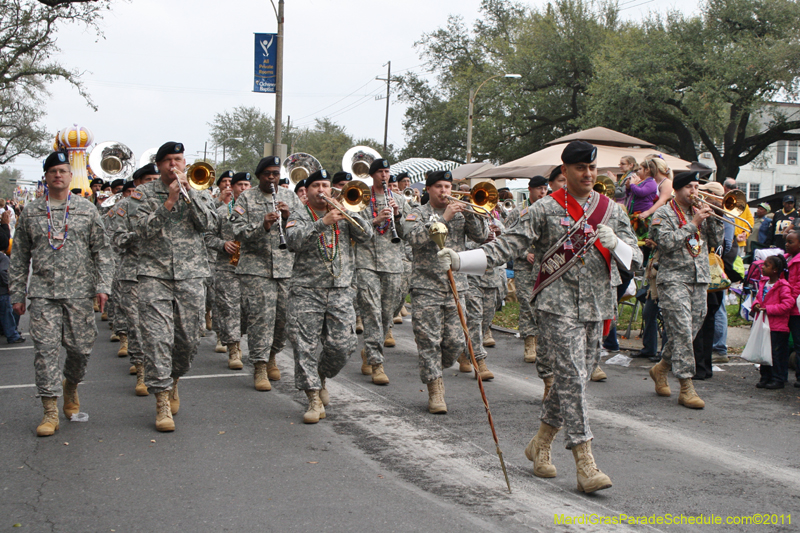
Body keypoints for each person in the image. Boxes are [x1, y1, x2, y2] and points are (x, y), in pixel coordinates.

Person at [437, 141, 641, 493]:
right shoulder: (544, 209)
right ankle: (584, 461)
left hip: (598, 306)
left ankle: (541, 443)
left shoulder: (611, 210)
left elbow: (635, 258)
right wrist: (460, 260)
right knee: (573, 378)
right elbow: (505, 247)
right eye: (581, 168)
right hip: (557, 307)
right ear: (565, 171)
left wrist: (617, 244)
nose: (588, 174)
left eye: (592, 168)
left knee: (573, 380)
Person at [10, 151, 114, 437]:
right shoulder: (31, 212)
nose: (58, 175)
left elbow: (102, 252)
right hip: (43, 294)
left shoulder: (86, 209)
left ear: (71, 176)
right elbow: (19, 257)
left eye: (63, 170)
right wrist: (17, 293)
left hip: (79, 294)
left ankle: (71, 385)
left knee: (81, 350)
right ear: (46, 177)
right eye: (52, 170)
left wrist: (103, 286)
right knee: (45, 353)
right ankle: (50, 411)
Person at [128, 142, 218, 432]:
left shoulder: (199, 190)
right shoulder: (142, 195)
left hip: (191, 275)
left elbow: (208, 225)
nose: (173, 165)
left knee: (189, 340)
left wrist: (191, 195)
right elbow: (140, 233)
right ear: (159, 165)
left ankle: (175, 378)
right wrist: (167, 203)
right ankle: (162, 399)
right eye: (167, 160)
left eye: (178, 159)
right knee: (157, 339)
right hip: (154, 274)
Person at [284, 169, 373, 423]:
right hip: (306, 290)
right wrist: (323, 223)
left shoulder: (343, 210)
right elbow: (293, 241)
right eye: (316, 186)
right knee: (304, 346)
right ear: (307, 190)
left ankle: (320, 374)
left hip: (340, 290)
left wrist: (348, 212)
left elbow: (366, 236)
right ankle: (312, 397)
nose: (321, 190)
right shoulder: (299, 213)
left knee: (343, 346)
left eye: (325, 185)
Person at [402, 170, 488, 414]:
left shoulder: (460, 212)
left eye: (448, 187)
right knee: (428, 340)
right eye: (439, 186)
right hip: (425, 287)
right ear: (428, 189)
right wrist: (443, 220)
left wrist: (470, 213)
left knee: (454, 342)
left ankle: (435, 369)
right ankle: (435, 389)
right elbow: (414, 239)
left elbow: (481, 237)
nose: (444, 191)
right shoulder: (416, 213)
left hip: (455, 287)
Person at [648, 171, 723, 410]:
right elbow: (667, 243)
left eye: (697, 186)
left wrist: (715, 216)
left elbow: (716, 241)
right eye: (690, 187)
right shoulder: (663, 213)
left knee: (688, 332)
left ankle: (661, 368)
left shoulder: (700, 211)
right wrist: (693, 225)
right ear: (678, 190)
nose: (695, 191)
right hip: (673, 279)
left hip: (699, 278)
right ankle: (686, 385)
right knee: (681, 331)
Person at [230, 156, 304, 389]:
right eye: (267, 174)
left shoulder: (288, 196)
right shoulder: (246, 197)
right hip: (256, 269)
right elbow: (237, 230)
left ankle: (273, 355)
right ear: (259, 175)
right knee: (260, 319)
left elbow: (304, 225)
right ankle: (260, 366)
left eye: (275, 173)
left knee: (283, 319)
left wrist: (288, 216)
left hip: (285, 268)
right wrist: (262, 225)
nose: (272, 178)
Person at [355, 158, 408, 385]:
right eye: (380, 172)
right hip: (365, 261)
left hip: (393, 263)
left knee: (387, 314)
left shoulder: (399, 200)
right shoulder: (359, 198)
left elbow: (408, 232)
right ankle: (377, 363)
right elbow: (354, 230)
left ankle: (370, 349)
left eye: (387, 172)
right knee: (371, 312)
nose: (384, 176)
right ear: (372, 175)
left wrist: (397, 216)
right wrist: (375, 220)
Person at [111, 163, 159, 395]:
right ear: (138, 182)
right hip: (133, 274)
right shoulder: (124, 207)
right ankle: (141, 371)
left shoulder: (167, 204)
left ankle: (160, 371)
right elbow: (117, 240)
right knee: (137, 325)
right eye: (148, 179)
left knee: (160, 329)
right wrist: (141, 232)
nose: (152, 183)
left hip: (161, 274)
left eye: (155, 179)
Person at [205, 172, 252, 370]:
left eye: (247, 184)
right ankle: (234, 349)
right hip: (227, 268)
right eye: (239, 184)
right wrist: (223, 244)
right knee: (230, 309)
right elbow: (207, 236)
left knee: (248, 311)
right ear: (231, 188)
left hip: (252, 268)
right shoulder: (222, 211)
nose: (243, 188)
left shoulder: (257, 212)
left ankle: (249, 345)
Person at [504, 175, 548, 363]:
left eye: (545, 189)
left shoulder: (549, 210)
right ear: (530, 189)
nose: (542, 192)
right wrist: (524, 254)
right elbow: (508, 238)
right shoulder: (518, 212)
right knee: (526, 302)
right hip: (524, 266)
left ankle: (543, 342)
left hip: (546, 266)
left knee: (544, 305)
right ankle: (530, 342)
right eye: (539, 189)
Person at [752, 254, 793, 389]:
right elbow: (758, 298)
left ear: (775, 270)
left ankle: (778, 378)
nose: (762, 267)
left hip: (777, 326)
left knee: (776, 354)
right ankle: (765, 376)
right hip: (764, 324)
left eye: (766, 266)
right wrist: (756, 305)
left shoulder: (783, 286)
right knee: (764, 352)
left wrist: (768, 309)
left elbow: (787, 304)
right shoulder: (763, 283)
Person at [783, 230, 800, 388]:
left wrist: (788, 300)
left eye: (791, 242)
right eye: (786, 241)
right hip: (786, 307)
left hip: (795, 308)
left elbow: (797, 286)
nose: (787, 245)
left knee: (798, 341)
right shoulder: (786, 259)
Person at [722, 179, 752, 257]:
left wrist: (745, 233)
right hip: (724, 241)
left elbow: (750, 221)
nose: (732, 189)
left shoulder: (743, 204)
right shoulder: (720, 201)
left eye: (734, 187)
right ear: (724, 188)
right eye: (730, 187)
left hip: (739, 242)